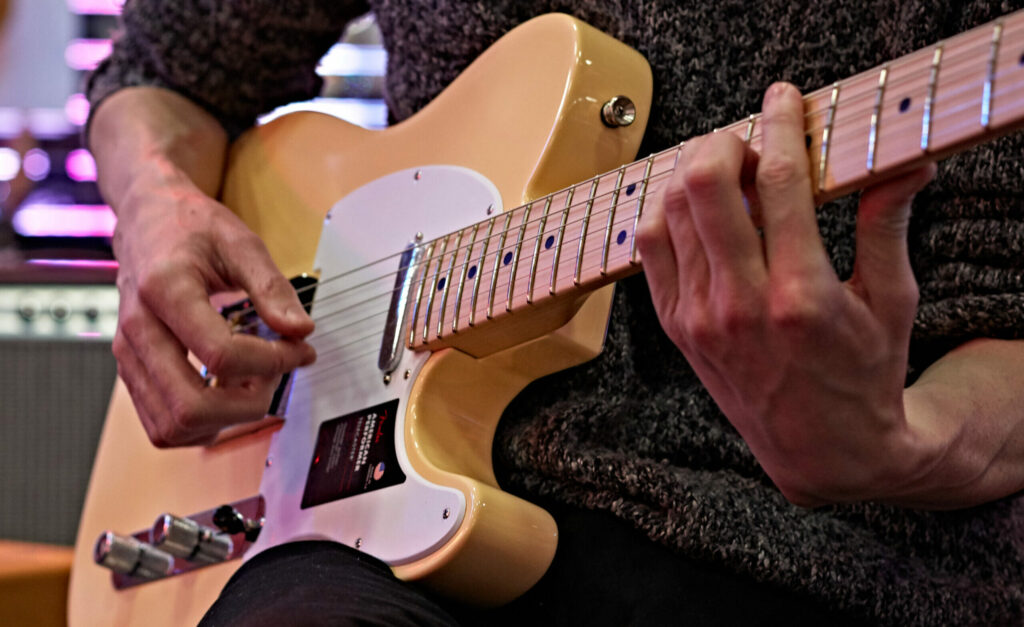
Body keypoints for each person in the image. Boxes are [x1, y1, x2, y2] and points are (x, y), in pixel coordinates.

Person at [87, 0, 1024, 624]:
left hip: (829, 554)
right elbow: (169, 68)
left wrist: (904, 446)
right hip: (382, 521)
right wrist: (154, 206)